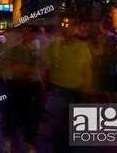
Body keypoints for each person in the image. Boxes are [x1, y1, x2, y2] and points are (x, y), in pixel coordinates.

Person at [45, 19, 93, 153]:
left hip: (77, 89)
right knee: (61, 122)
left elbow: (87, 68)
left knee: (71, 123)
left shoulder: (82, 47)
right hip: (59, 89)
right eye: (67, 26)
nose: (69, 30)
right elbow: (47, 69)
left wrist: (87, 89)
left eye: (72, 26)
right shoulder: (54, 47)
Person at [2, 25, 42, 153]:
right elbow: (17, 67)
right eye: (25, 31)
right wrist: (32, 70)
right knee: (14, 114)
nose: (28, 35)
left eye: (30, 32)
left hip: (29, 84)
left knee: (28, 116)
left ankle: (27, 144)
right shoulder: (18, 48)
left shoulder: (35, 47)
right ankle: (11, 143)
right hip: (17, 84)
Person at [96, 18, 117, 103]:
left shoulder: (100, 37)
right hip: (114, 67)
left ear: (101, 26)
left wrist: (95, 53)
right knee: (114, 90)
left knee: (105, 89)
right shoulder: (116, 38)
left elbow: (100, 52)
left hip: (104, 66)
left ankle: (107, 109)